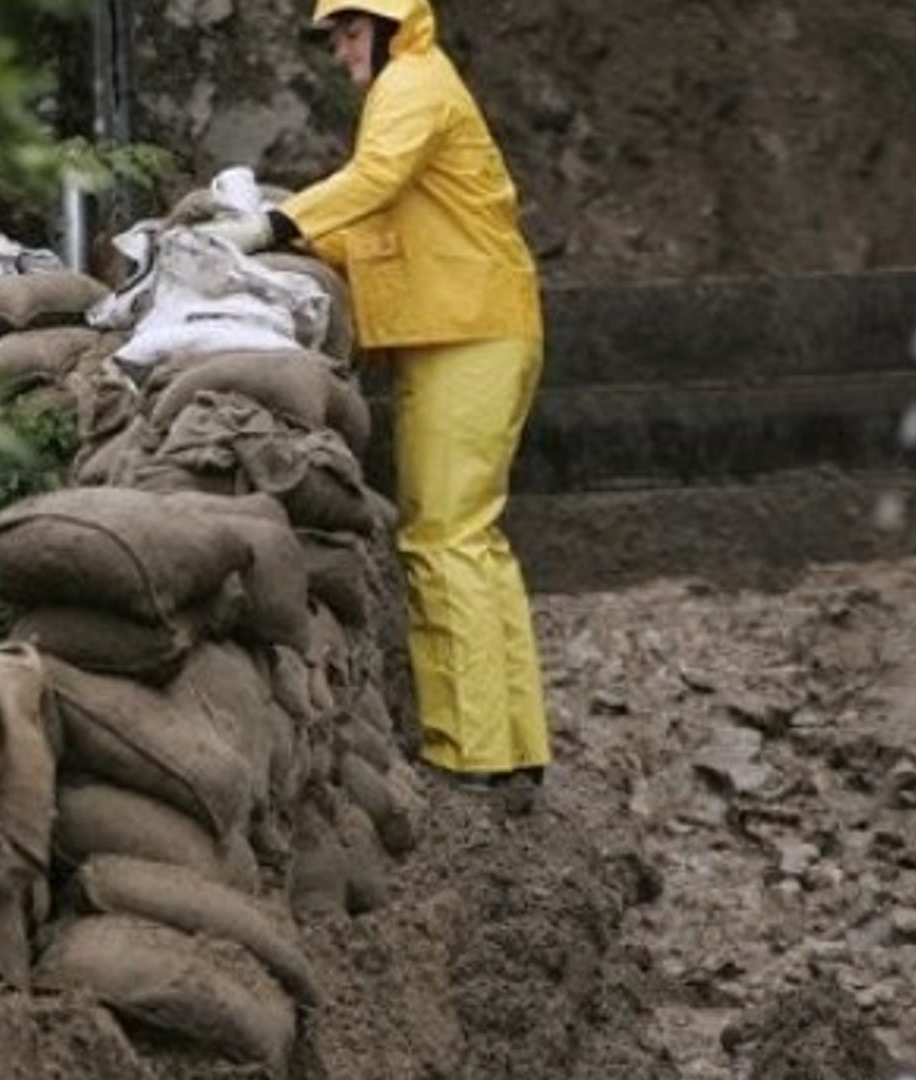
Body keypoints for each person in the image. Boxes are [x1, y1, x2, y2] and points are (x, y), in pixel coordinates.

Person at [198, 0, 552, 791]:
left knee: (445, 539)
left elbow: (373, 181)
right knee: (472, 539)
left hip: (467, 334)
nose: (340, 50)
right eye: (335, 37)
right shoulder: (416, 87)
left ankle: (472, 753)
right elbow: (380, 222)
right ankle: (511, 747)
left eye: (351, 32)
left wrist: (271, 226)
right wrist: (297, 237)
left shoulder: (412, 84)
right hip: (466, 329)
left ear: (393, 28)